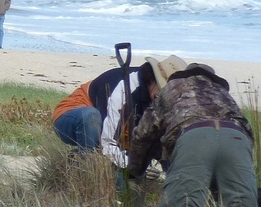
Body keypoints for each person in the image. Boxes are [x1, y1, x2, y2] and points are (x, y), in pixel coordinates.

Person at [127, 62, 261, 207]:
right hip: (237, 139)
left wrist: (134, 171)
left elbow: (142, 135)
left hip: (194, 137)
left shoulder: (171, 88)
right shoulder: (222, 94)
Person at [50, 55, 187, 166]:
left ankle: (80, 158)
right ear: (152, 80)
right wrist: (133, 166)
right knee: (91, 118)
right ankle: (84, 170)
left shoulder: (152, 97)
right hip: (70, 117)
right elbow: (108, 142)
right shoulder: (123, 88)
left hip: (102, 127)